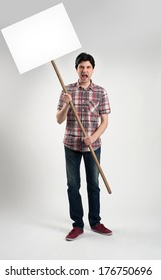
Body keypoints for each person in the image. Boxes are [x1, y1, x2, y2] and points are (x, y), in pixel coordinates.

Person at [56, 52, 112, 241]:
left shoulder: (101, 92)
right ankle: (77, 225)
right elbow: (58, 120)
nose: (85, 71)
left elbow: (105, 122)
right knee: (73, 186)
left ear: (93, 69)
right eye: (81, 67)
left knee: (94, 185)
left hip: (93, 146)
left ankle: (95, 222)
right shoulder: (67, 90)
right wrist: (65, 105)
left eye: (88, 67)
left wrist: (93, 137)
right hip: (71, 144)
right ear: (76, 69)